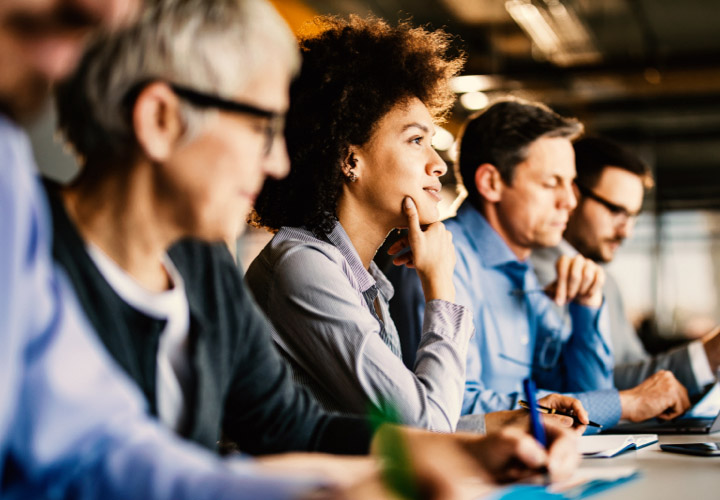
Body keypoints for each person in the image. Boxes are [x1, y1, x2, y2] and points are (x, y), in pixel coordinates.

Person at [0, 0, 573, 497]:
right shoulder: (31, 245)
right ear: (160, 119)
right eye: (261, 129)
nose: (276, 162)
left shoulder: (199, 263)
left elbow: (289, 427)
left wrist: (460, 455)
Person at [388, 99, 692, 430]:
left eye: (571, 184)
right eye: (552, 183)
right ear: (492, 183)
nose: (570, 201)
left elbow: (583, 394)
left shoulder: (524, 269)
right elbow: (455, 408)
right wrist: (626, 404)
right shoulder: (438, 260)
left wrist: (586, 310)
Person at [532, 136, 720, 394]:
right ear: (572, 197)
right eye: (615, 211)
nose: (626, 231)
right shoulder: (532, 275)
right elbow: (586, 388)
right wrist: (709, 354)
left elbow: (637, 373)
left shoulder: (608, 283)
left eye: (632, 216)